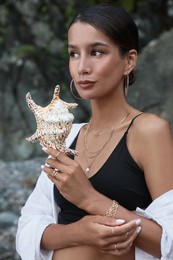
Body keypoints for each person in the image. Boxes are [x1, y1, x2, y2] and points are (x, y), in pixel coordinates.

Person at [16, 3, 173, 260]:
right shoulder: (69, 135)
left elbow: (168, 242)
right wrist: (79, 233)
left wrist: (90, 200)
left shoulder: (148, 131)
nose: (82, 67)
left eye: (96, 52)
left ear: (129, 60)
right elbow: (28, 228)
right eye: (74, 54)